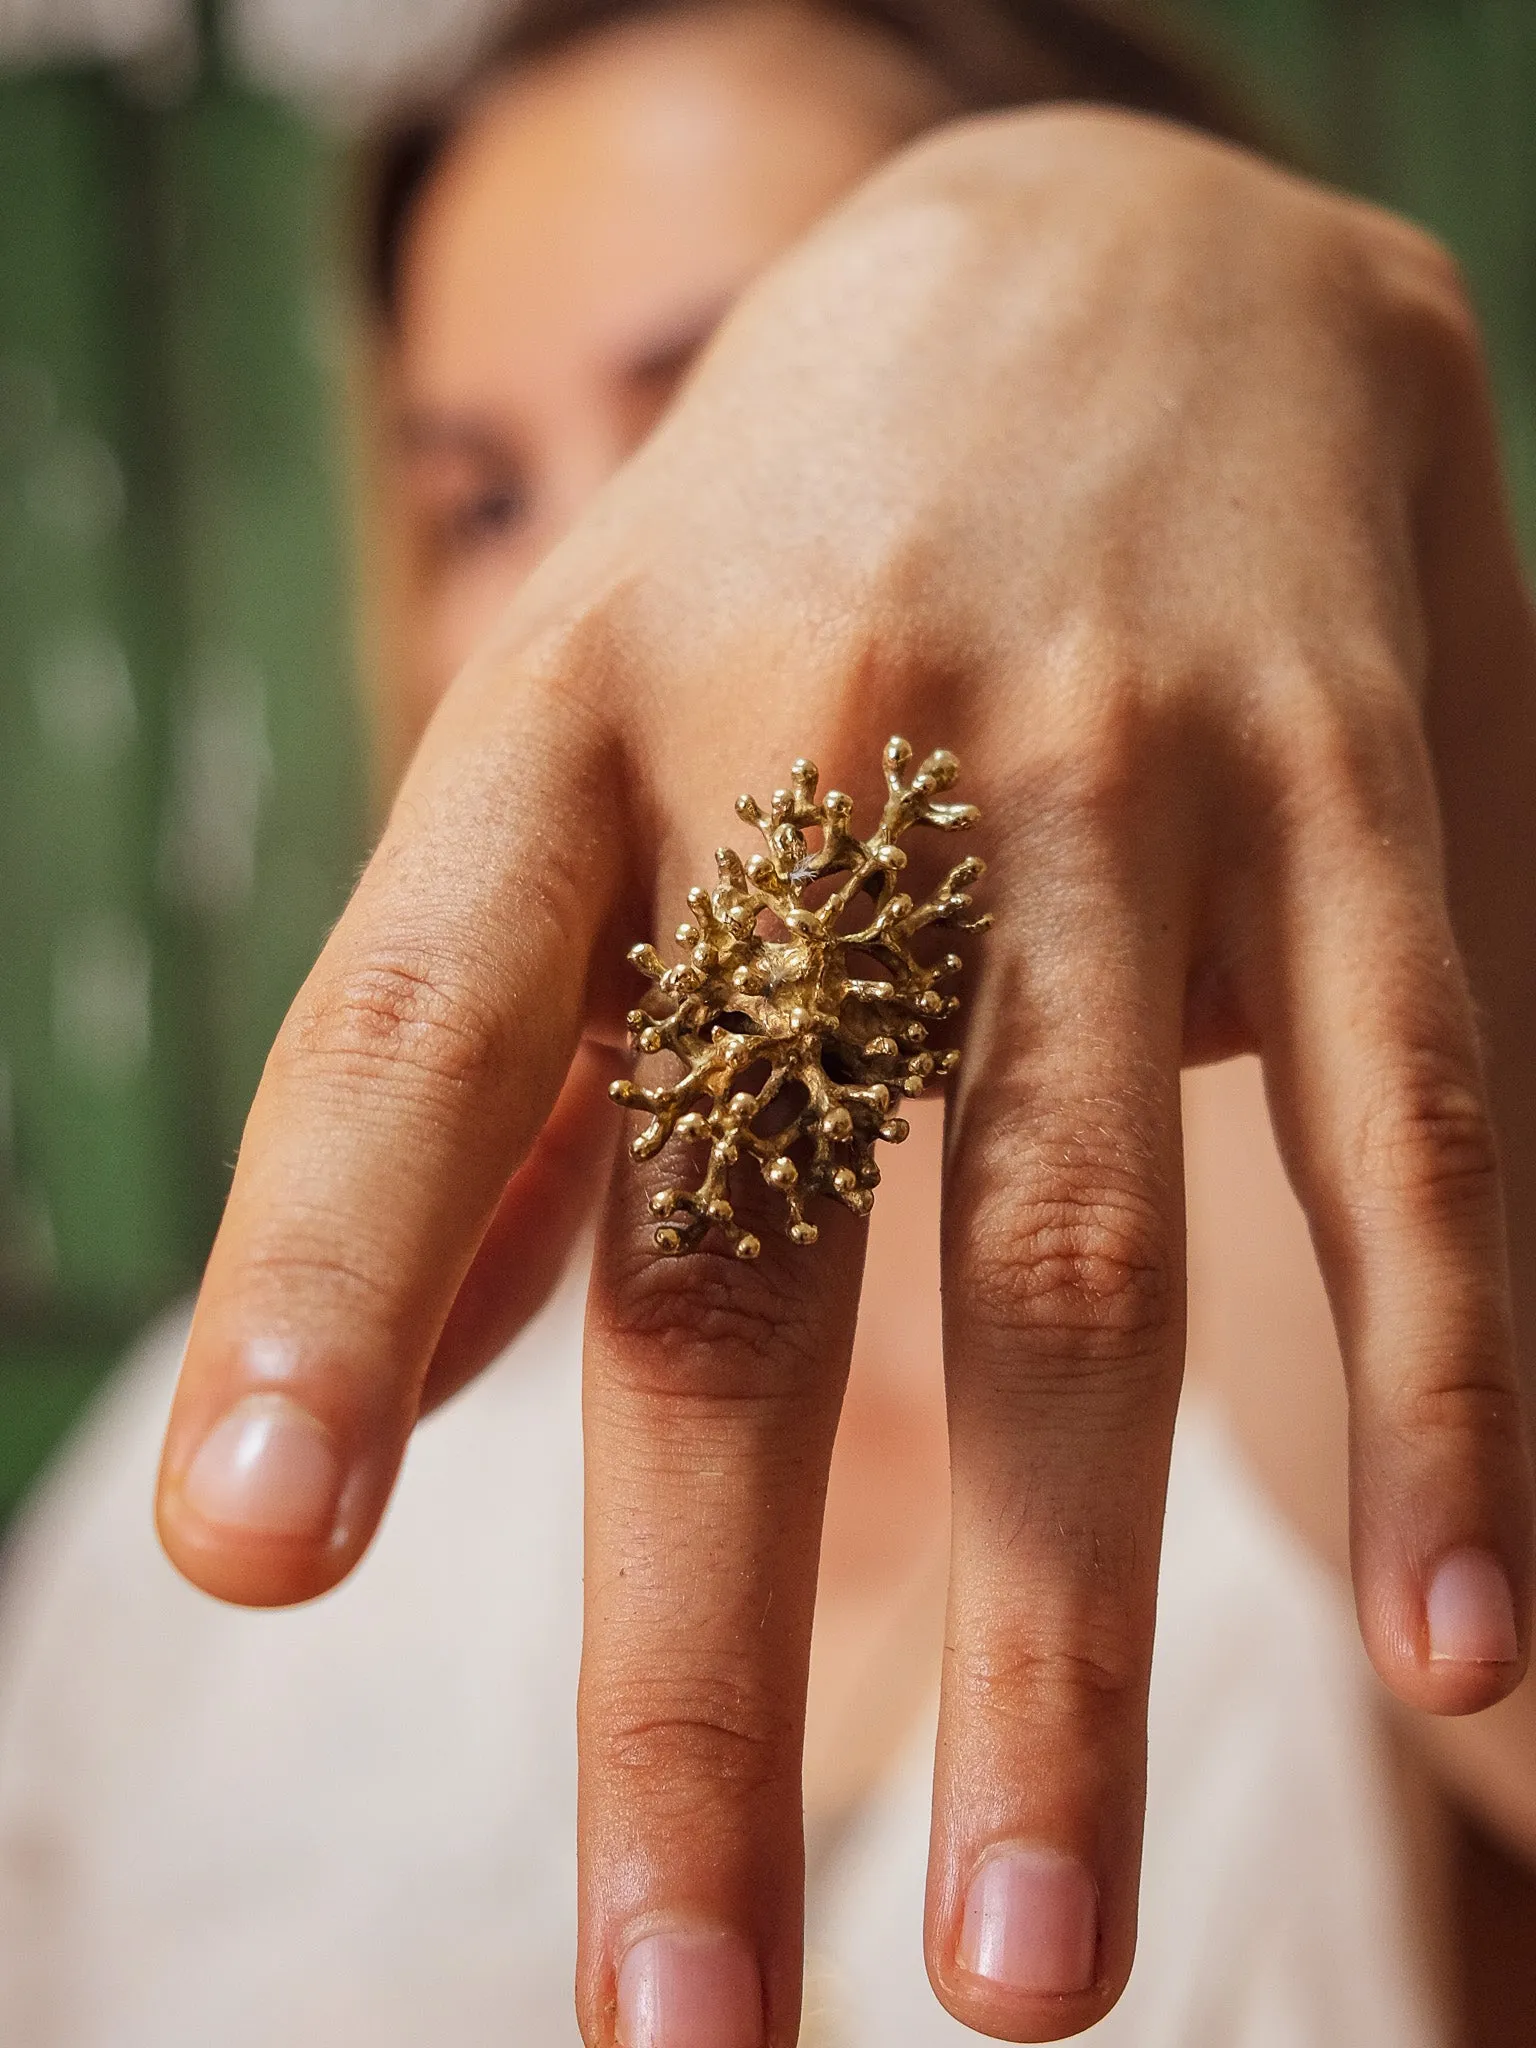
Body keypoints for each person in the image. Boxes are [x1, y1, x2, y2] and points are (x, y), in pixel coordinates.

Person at [2, 1, 1535, 2043]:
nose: (575, 588)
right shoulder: (257, 1456)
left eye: (731, 408)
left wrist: (1249, 290)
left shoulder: (1354, 1367)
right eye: (477, 501)